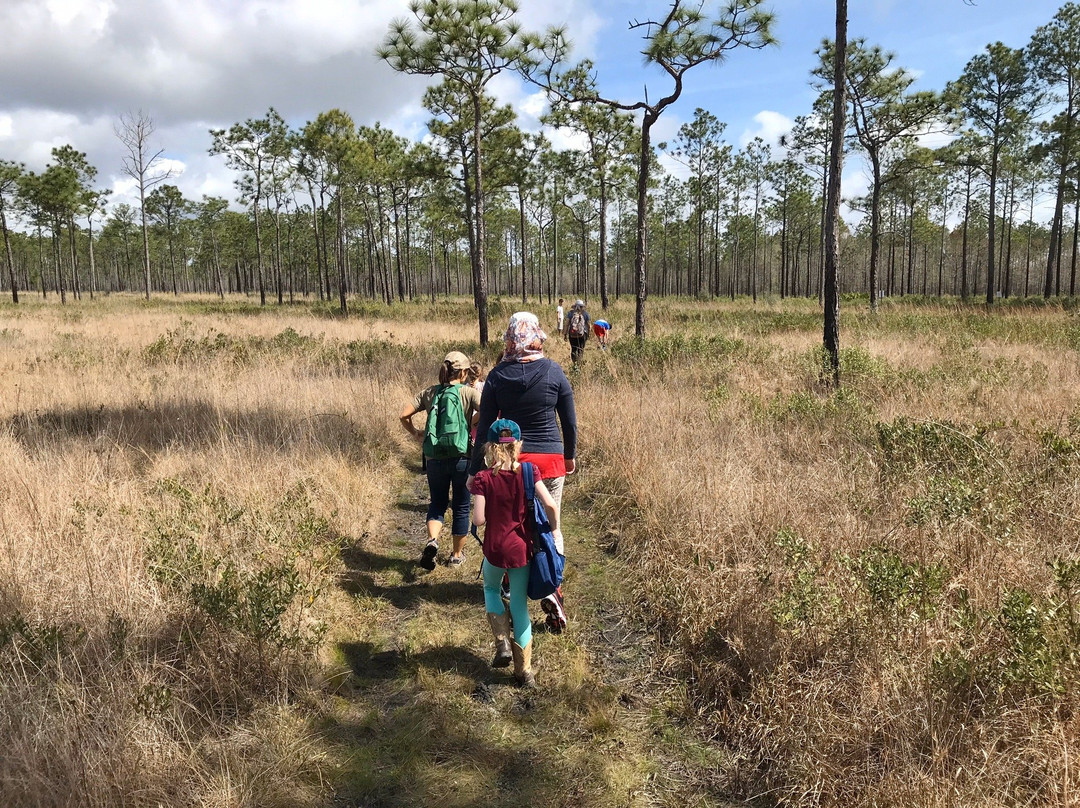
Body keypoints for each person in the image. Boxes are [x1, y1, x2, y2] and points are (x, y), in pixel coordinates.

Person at [468, 312, 576, 633]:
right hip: (550, 460)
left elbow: (486, 427)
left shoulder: (499, 376)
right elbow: (569, 422)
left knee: (510, 521)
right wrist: (568, 457)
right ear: (537, 335)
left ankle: (505, 581)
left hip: (509, 461)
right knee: (550, 524)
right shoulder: (555, 371)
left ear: (510, 337)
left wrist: (476, 471)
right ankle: (552, 585)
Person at [471, 419, 562, 687]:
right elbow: (551, 506)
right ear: (517, 445)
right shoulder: (528, 472)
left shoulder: (483, 478)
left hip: (495, 551)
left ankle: (502, 645)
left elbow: (478, 520)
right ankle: (524, 673)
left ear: (489, 447)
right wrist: (554, 533)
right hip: (522, 550)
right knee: (520, 605)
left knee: (490, 589)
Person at [400, 351, 481, 569]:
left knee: (437, 502)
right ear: (463, 372)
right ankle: (456, 556)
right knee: (462, 506)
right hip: (461, 457)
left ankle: (432, 541)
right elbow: (489, 411)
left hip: (434, 457)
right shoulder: (468, 393)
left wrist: (416, 433)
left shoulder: (429, 393)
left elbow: (403, 415)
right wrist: (471, 423)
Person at [566, 299, 590, 365]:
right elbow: (588, 325)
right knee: (581, 349)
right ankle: (579, 363)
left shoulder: (570, 313)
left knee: (573, 349)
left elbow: (567, 324)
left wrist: (565, 334)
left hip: (572, 334)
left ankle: (574, 364)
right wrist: (588, 333)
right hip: (582, 334)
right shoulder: (585, 313)